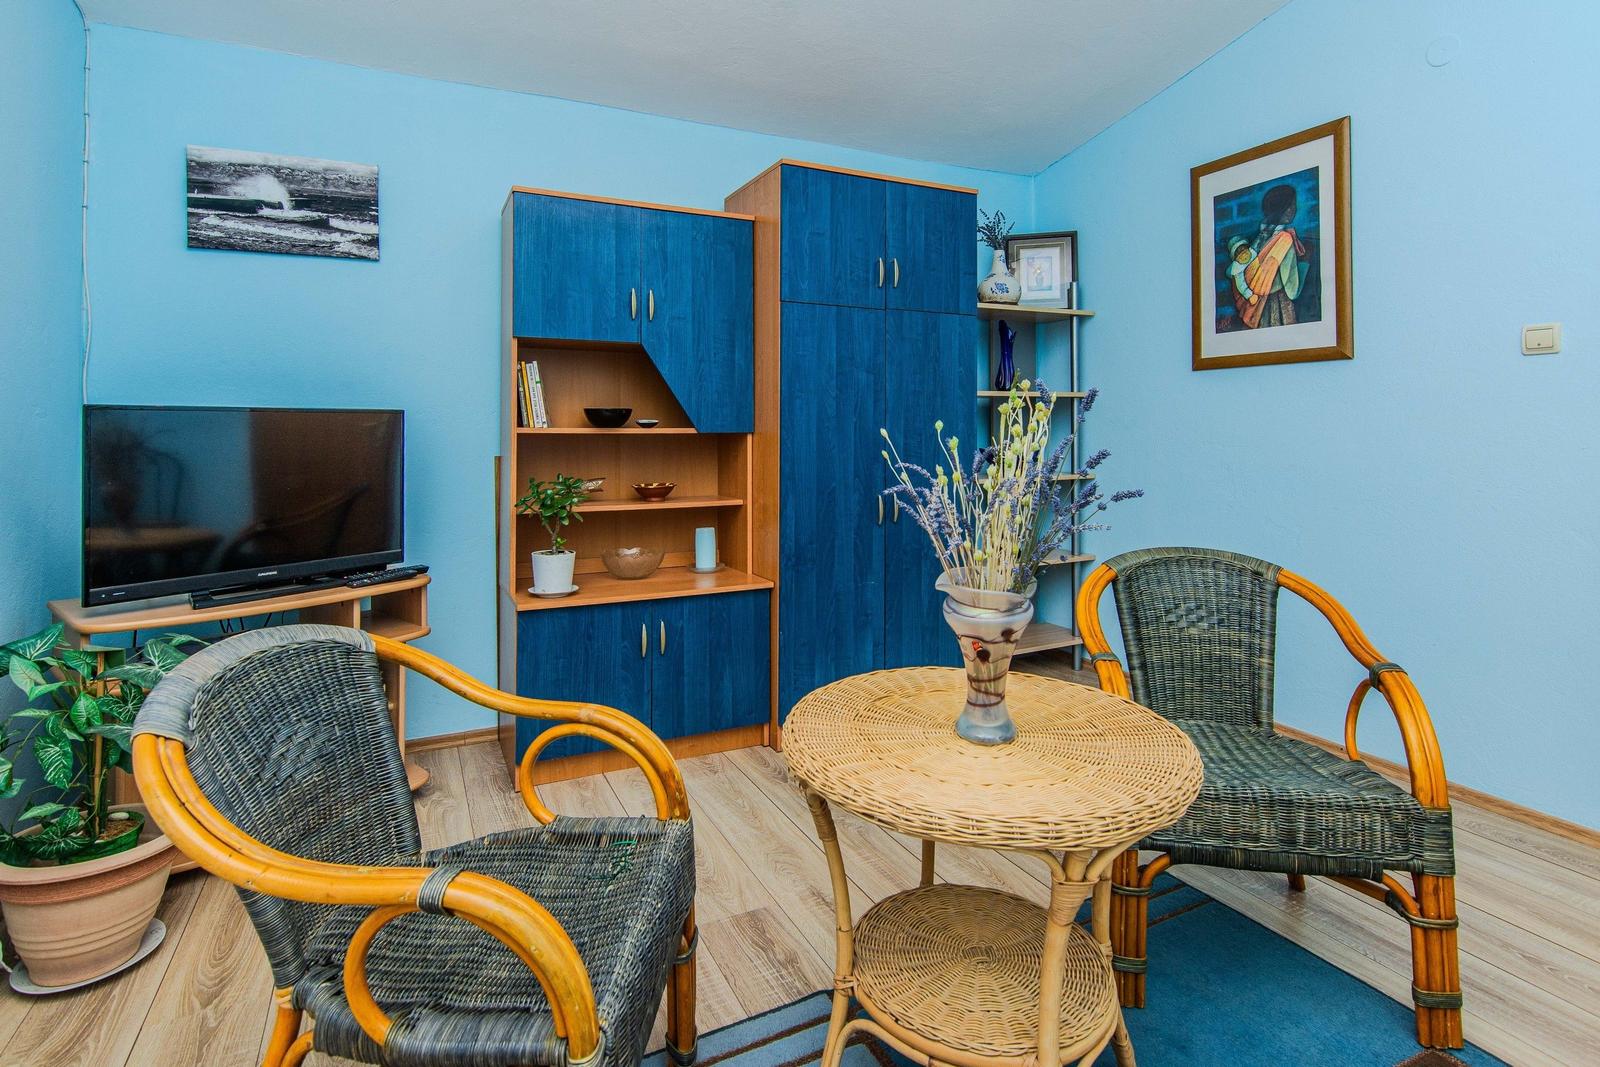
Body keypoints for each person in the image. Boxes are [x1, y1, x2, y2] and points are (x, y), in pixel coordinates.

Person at [1237, 183, 1309, 329]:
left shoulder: (1258, 239)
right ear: (1287, 209)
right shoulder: (1284, 240)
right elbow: (1293, 291)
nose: (1294, 209)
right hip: (1278, 306)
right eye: (1292, 205)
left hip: (1255, 308)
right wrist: (1304, 264)